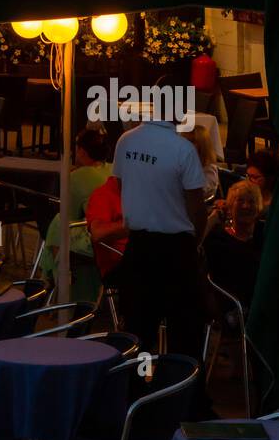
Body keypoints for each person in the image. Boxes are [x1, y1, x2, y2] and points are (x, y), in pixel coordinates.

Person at [112, 104, 209, 358]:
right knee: (184, 332)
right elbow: (197, 207)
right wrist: (193, 242)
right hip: (176, 250)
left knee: (138, 330)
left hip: (139, 248)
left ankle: (137, 387)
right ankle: (179, 390)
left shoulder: (125, 141)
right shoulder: (183, 149)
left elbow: (122, 186)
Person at [40, 130, 112, 296]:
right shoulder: (112, 168)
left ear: (82, 151)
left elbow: (69, 214)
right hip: (116, 235)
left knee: (59, 223)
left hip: (96, 236)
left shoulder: (78, 177)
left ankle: (60, 284)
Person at [204, 180, 263, 308]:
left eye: (251, 201)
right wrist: (215, 217)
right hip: (230, 304)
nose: (246, 206)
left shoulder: (263, 234)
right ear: (230, 206)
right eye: (240, 200)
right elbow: (195, 243)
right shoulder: (218, 238)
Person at [184, 123, 219, 199]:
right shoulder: (187, 164)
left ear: (202, 146)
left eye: (190, 142)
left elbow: (197, 193)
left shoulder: (209, 170)